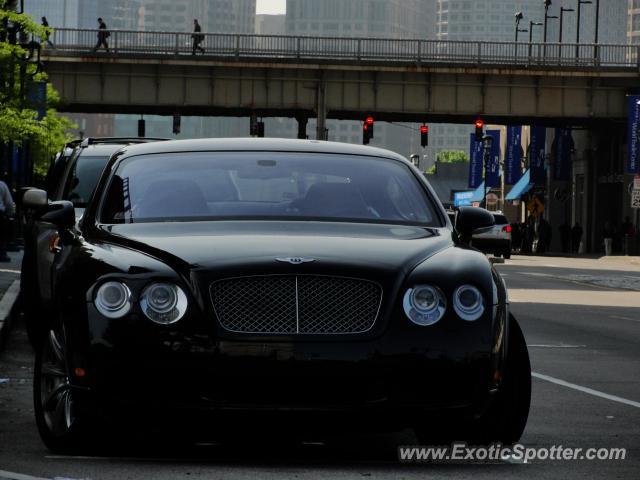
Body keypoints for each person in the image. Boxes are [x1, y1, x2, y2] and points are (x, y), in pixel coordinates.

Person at [0, 178, 15, 262]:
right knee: (2, 235)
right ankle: (2, 253)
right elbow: (9, 202)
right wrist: (9, 214)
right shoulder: (2, 185)